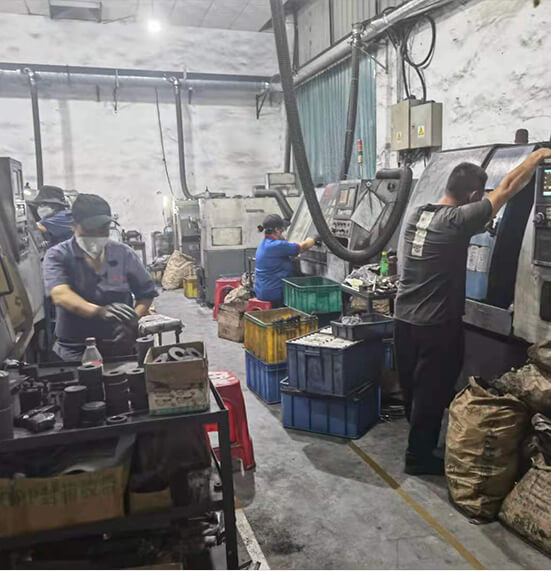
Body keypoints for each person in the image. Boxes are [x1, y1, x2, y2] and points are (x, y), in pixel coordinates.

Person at [394, 148, 551, 476]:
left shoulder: (418, 214)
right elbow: (507, 187)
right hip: (436, 325)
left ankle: (416, 439)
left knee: (413, 386)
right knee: (433, 390)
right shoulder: (456, 221)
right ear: (474, 196)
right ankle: (418, 457)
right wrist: (537, 157)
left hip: (404, 320)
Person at [43, 193, 158, 361]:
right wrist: (99, 311)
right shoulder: (58, 255)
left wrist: (133, 319)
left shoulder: (123, 254)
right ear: (74, 226)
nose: (97, 236)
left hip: (121, 347)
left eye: (103, 230)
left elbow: (146, 294)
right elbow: (60, 294)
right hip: (75, 351)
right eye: (90, 231)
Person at [254, 213, 315, 307]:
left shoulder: (264, 244)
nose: (283, 230)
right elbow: (302, 247)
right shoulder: (276, 245)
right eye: (282, 229)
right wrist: (313, 238)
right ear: (276, 229)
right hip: (274, 294)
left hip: (262, 291)